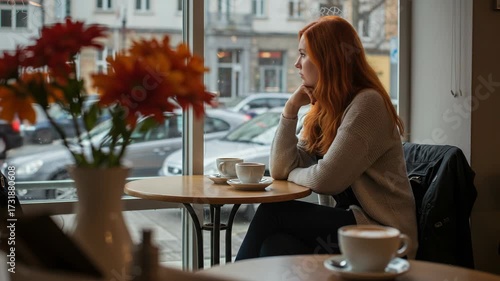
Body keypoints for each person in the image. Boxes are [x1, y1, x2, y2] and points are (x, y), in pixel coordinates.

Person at [235, 16, 418, 261]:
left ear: (328, 60)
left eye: (303, 54)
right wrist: (290, 109)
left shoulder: (367, 104)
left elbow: (326, 180)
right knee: (276, 245)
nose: (297, 65)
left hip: (384, 235)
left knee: (273, 213)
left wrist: (294, 173)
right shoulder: (325, 109)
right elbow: (280, 169)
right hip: (347, 226)